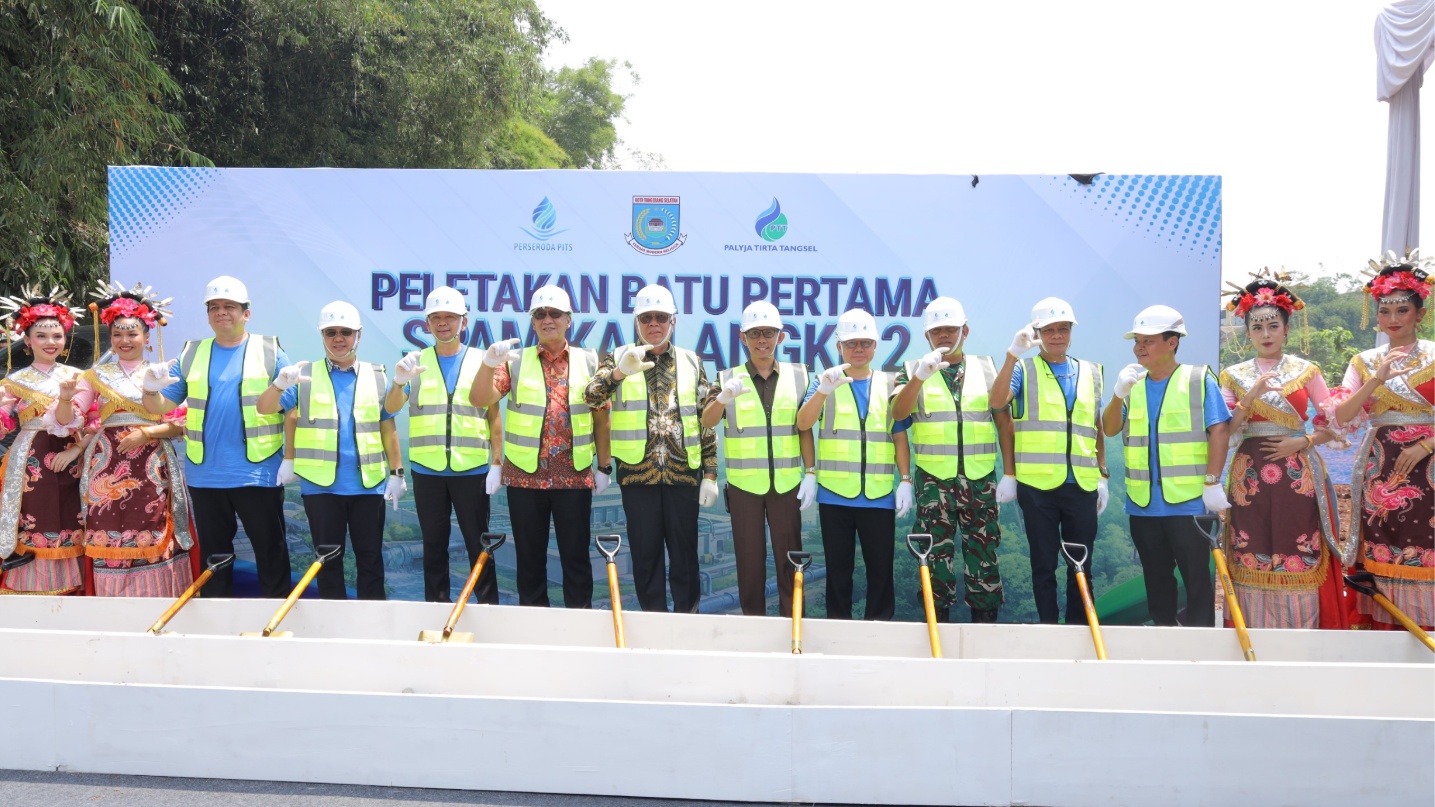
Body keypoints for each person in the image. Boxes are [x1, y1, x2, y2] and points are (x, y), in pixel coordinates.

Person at [143, 275, 293, 598]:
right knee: (215, 559)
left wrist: (291, 459)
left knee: (271, 552)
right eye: (214, 307)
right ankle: (216, 628)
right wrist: (149, 390)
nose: (221, 312)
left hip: (257, 473)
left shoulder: (270, 351)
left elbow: (291, 407)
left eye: (229, 306)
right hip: (206, 475)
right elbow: (161, 405)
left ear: (246, 313)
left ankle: (277, 623)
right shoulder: (192, 353)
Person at [1218, 272, 1349, 629]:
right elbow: (1226, 432)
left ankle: (1303, 631)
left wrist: (1302, 441)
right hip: (1250, 473)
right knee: (1251, 545)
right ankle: (1254, 631)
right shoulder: (1232, 375)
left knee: (1299, 542)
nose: (1265, 335)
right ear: (1247, 332)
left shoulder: (1307, 371)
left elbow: (1333, 423)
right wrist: (1250, 397)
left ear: (1286, 329)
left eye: (1272, 326)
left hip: (1298, 471)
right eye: (1257, 328)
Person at [470, 285, 609, 609]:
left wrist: (603, 466)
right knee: (529, 562)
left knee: (575, 560)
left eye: (554, 313)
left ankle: (579, 624)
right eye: (540, 314)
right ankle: (533, 627)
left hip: (573, 477)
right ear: (533, 322)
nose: (548, 319)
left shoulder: (589, 362)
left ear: (568, 320)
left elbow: (602, 419)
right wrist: (489, 363)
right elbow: (479, 400)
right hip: (524, 478)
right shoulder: (514, 363)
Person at [584, 284, 718, 613]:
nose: (654, 324)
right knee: (645, 558)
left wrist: (711, 474)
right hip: (637, 477)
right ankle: (652, 625)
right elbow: (591, 397)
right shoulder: (618, 357)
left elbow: (707, 420)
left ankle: (687, 622)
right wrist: (618, 373)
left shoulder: (691, 361)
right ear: (636, 322)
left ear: (673, 321)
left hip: (683, 476)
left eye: (661, 317)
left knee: (686, 557)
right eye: (647, 318)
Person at [258, 301, 404, 600]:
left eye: (346, 332)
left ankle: (371, 627)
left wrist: (397, 473)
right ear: (322, 336)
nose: (339, 338)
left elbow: (387, 428)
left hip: (368, 487)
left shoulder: (377, 376)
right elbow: (265, 409)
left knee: (371, 560)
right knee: (327, 562)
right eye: (331, 332)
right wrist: (278, 386)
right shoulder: (305, 376)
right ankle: (333, 627)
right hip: (321, 487)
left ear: (358, 335)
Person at [63, 283, 196, 597]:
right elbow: (69, 420)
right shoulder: (94, 376)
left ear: (146, 338)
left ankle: (160, 599)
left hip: (154, 464)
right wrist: (67, 400)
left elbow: (182, 424)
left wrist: (147, 432)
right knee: (107, 527)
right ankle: (111, 603)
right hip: (106, 465)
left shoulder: (163, 372)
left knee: (155, 525)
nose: (125, 341)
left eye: (132, 333)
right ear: (110, 337)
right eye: (118, 334)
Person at [1102, 305, 1231, 627]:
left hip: (1189, 506)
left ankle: (1199, 646)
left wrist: (1213, 482)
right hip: (1144, 507)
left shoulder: (1198, 379)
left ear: (1172, 342)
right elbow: (1109, 428)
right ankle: (1163, 640)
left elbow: (1220, 429)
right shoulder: (1133, 386)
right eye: (1137, 341)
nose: (1139, 347)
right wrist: (1118, 395)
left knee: (1197, 582)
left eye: (1148, 340)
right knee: (1156, 582)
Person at [1329, 249, 1433, 631]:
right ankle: (1388, 632)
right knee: (1383, 542)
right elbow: (1340, 417)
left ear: (1420, 314)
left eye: (1402, 311)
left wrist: (1426, 444)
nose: (1392, 319)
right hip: (1380, 467)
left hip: (1430, 465)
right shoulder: (1364, 361)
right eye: (1385, 311)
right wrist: (1376, 379)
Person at [891, 296, 1010, 623]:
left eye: (951, 329)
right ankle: (936, 628)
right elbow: (898, 414)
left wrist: (1008, 473)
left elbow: (1003, 420)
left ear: (965, 331)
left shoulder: (987, 367)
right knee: (934, 558)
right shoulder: (910, 371)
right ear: (927, 336)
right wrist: (920, 377)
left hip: (980, 480)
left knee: (984, 559)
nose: (944, 335)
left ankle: (985, 633)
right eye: (936, 330)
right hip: (933, 483)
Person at [990, 297, 1108, 625]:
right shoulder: (1023, 370)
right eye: (1049, 330)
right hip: (1037, 486)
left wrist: (1103, 474)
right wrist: (1013, 355)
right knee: (1043, 565)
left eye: (1063, 329)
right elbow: (996, 402)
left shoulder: (1091, 372)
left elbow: (1095, 425)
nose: (1057, 335)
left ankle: (1080, 629)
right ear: (1037, 333)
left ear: (1071, 331)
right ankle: (1048, 630)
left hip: (1081, 484)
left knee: (1081, 563)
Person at [384, 286, 503, 604]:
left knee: (479, 545)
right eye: (436, 317)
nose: (443, 323)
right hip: (428, 470)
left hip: (471, 470)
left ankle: (488, 607)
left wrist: (497, 463)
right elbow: (392, 408)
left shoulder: (483, 360)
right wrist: (398, 381)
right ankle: (435, 609)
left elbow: (494, 416)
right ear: (427, 323)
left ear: (464, 321)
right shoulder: (413, 363)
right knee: (433, 546)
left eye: (450, 317)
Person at [796, 308, 913, 621]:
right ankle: (838, 631)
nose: (858, 349)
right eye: (851, 343)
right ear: (838, 347)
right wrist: (822, 391)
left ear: (875, 346)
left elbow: (899, 437)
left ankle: (879, 628)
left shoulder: (891, 384)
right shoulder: (824, 382)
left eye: (865, 343)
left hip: (878, 497)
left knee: (880, 572)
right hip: (834, 495)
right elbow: (803, 423)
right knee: (838, 572)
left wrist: (905, 480)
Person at [700, 301, 815, 617]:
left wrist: (811, 472)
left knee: (789, 559)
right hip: (744, 488)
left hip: (787, 485)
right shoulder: (726, 378)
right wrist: (722, 399)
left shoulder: (799, 376)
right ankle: (753, 625)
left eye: (768, 333)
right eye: (755, 334)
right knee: (749, 561)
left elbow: (804, 428)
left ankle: (793, 625)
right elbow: (708, 421)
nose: (762, 340)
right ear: (743, 338)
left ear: (780, 336)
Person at [0, 288, 88, 595]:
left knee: (75, 516)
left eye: (57, 335)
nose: (51, 342)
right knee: (33, 518)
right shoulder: (14, 381)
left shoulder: (81, 377)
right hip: (30, 460)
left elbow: (92, 423)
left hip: (73, 459)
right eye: (41, 336)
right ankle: (31, 589)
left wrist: (79, 447)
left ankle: (75, 588)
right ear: (27, 341)